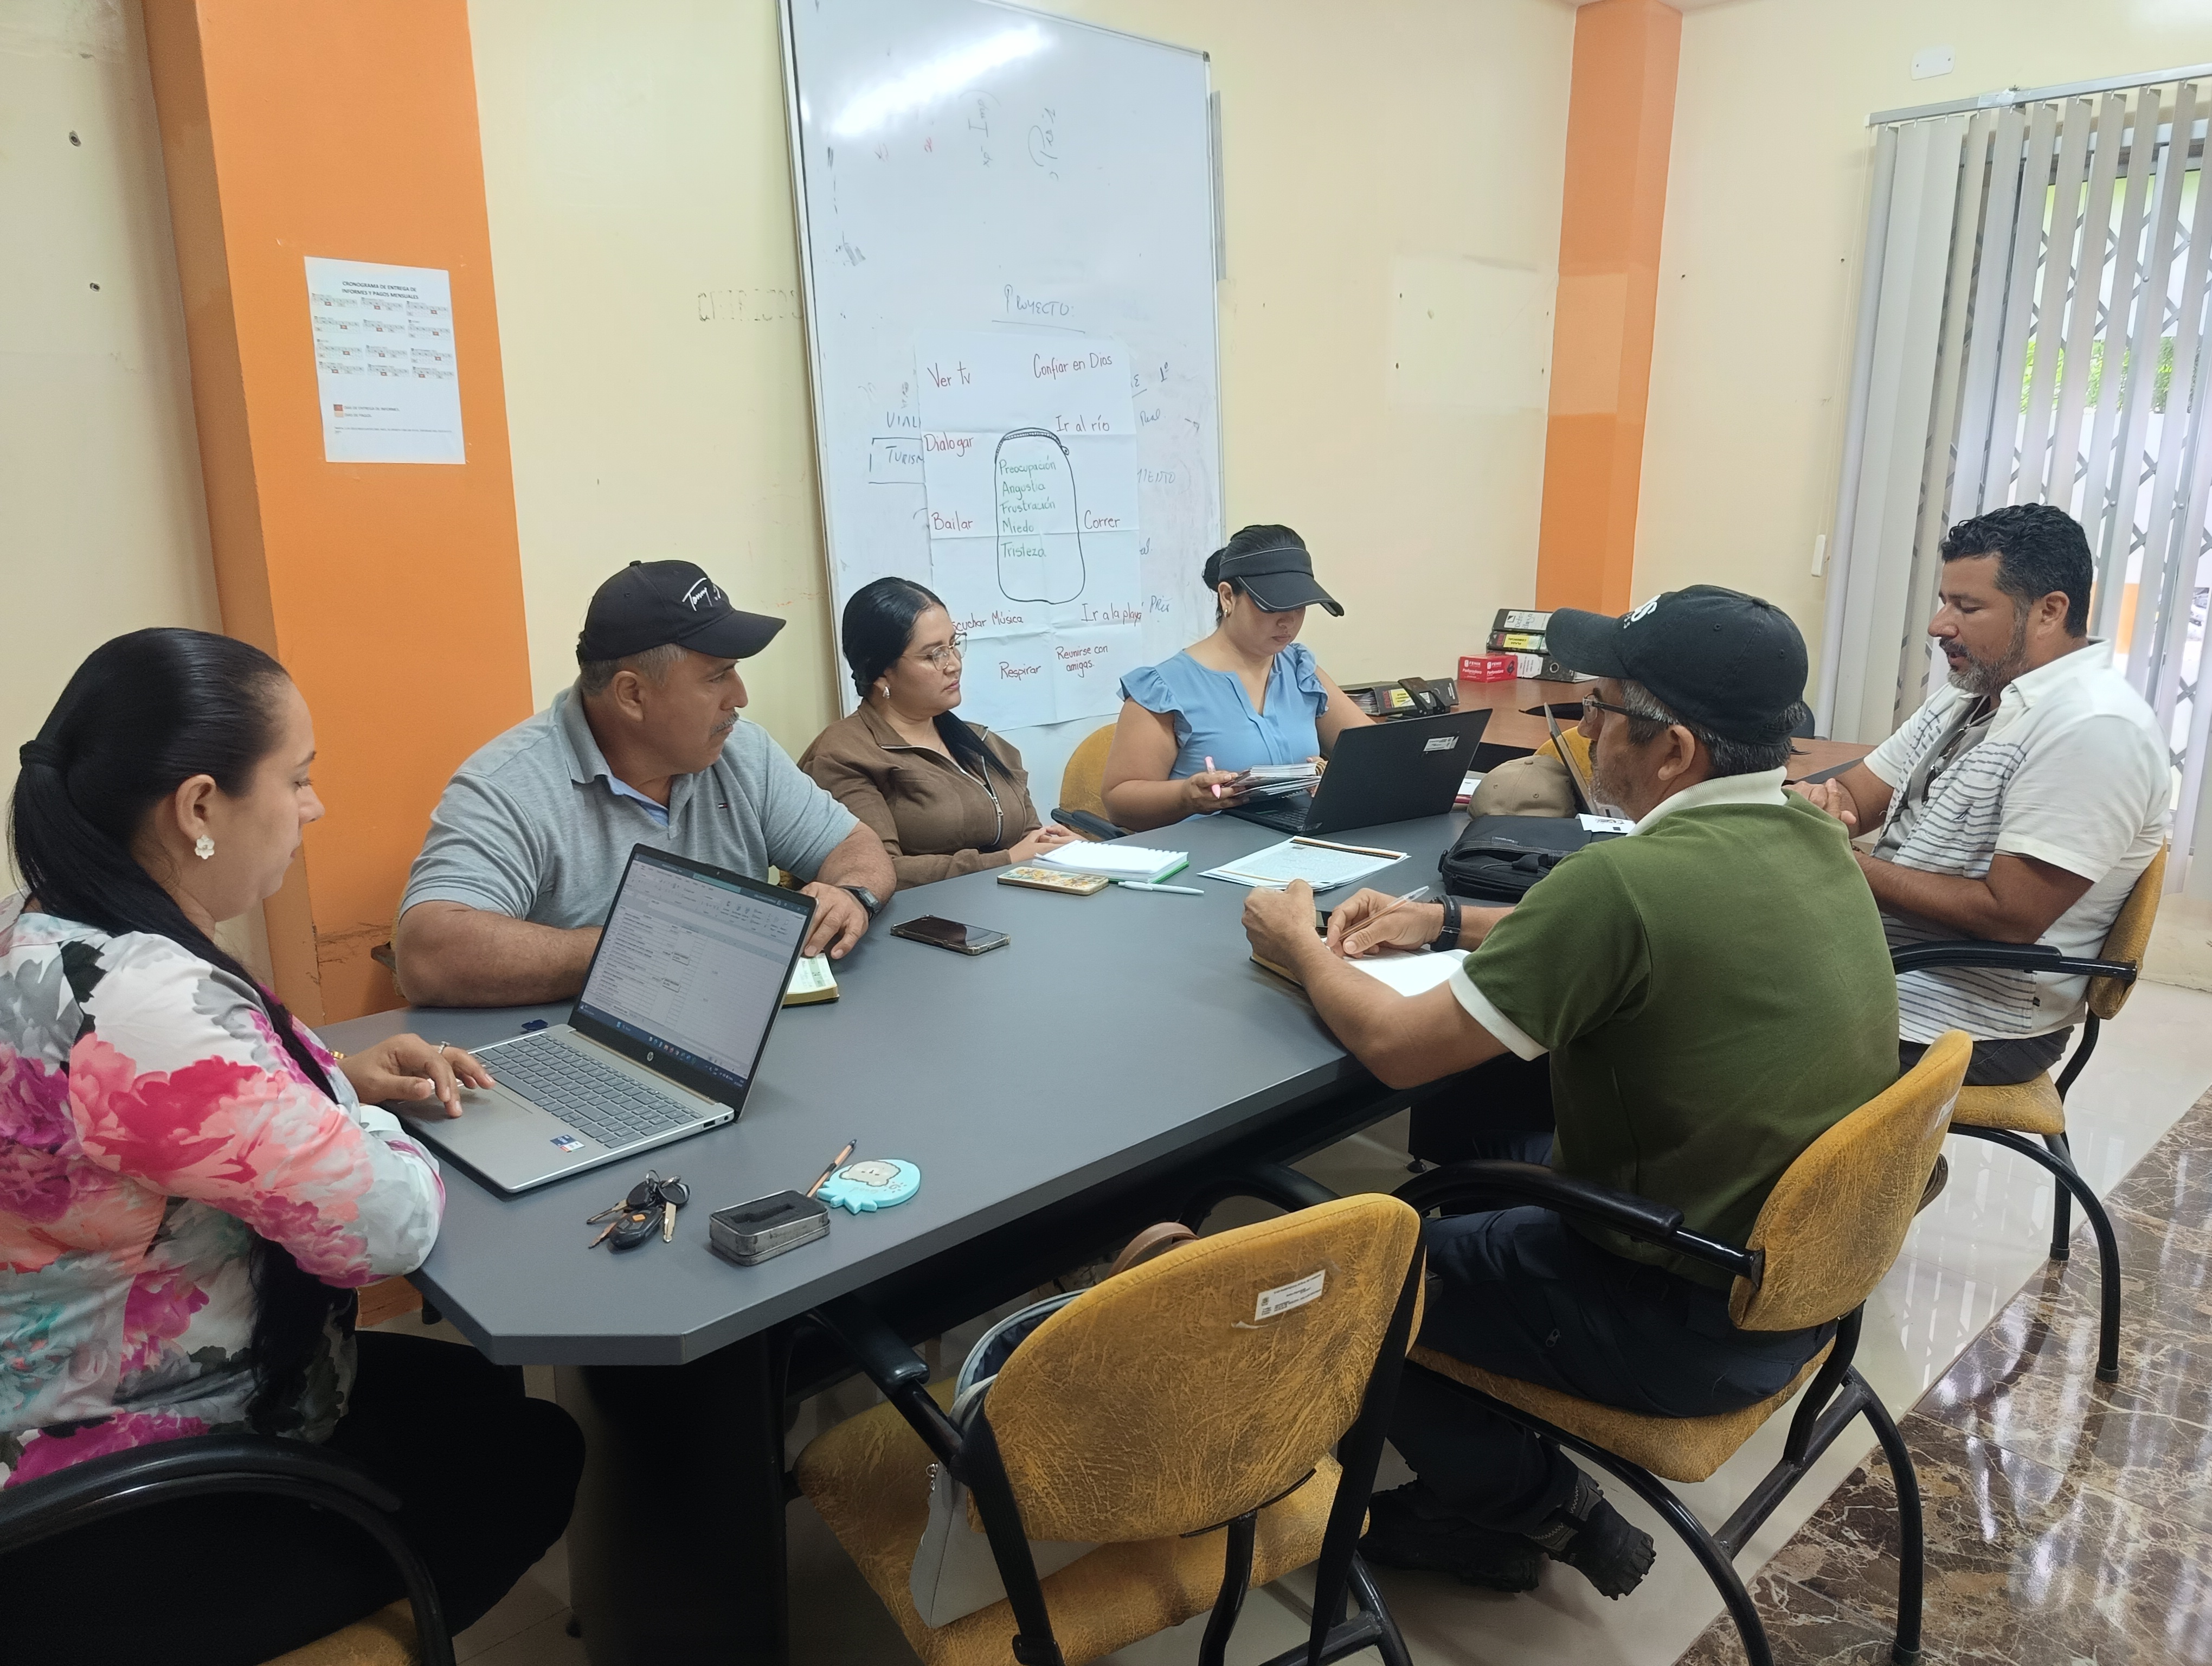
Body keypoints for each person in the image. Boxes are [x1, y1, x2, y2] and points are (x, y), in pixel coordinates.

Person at [1239, 587, 1900, 1600]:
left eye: (1599, 708)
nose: (1583, 731)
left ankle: (1535, 1503)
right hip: (1798, 1278)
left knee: (1351, 1283)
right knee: (1473, 1180)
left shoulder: (1625, 884)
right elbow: (1632, 936)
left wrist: (1298, 944)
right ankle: (1485, 1480)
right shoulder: (1814, 837)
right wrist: (1448, 920)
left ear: (1674, 750)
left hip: (1675, 1315)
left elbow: (1399, 1049)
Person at [2, 628, 582, 1663]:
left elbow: (169, 1101)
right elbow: (388, 1224)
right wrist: (351, 1108)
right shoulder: (149, 1006)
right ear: (199, 807)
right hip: (114, 1501)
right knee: (532, 1454)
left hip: (45, 1414)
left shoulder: (45, 935)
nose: (313, 808)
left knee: (478, 1387)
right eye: (298, 778)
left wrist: (331, 1077)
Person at [395, 561, 896, 1006]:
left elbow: (854, 844)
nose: (740, 696)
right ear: (632, 695)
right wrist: (650, 947)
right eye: (717, 676)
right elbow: (429, 953)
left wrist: (851, 895)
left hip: (728, 1026)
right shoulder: (510, 785)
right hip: (574, 1050)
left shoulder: (741, 750)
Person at [1791, 504, 2169, 1086]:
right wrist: (1818, 808)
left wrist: (1838, 859)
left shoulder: (2093, 729)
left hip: (1972, 1015)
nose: (1939, 625)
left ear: (2049, 611)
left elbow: (2008, 916)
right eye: (1945, 601)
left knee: (1713, 1035)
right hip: (1890, 963)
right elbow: (1856, 795)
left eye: (1966, 608)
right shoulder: (1973, 690)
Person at [800, 578, 1077, 886]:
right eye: (934, 654)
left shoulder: (981, 742)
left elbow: (1027, 836)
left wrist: (1057, 846)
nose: (954, 664)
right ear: (880, 673)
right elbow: (874, 873)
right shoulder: (844, 755)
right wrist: (1004, 862)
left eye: (954, 645)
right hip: (923, 912)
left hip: (1011, 899)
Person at [1100, 525, 1373, 831]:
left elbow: (1377, 753)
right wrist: (1186, 797)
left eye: (1300, 606)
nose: (1289, 621)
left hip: (1298, 843)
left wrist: (1335, 778)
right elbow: (1119, 804)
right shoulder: (1164, 689)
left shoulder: (1300, 670)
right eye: (1274, 605)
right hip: (1208, 852)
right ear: (1228, 596)